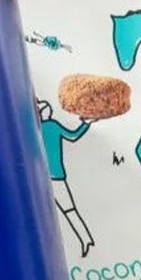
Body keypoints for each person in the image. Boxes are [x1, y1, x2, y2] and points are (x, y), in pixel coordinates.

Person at [37, 98, 94, 259]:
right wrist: (86, 124)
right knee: (67, 211)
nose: (47, 110)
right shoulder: (47, 127)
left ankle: (84, 240)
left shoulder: (46, 127)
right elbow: (73, 135)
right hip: (51, 176)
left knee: (62, 212)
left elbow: (72, 136)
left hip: (51, 177)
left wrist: (86, 124)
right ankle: (85, 239)